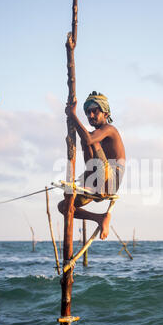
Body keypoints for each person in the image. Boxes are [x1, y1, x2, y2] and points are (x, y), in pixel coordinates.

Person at [58, 91, 125, 240]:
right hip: (96, 182)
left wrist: (72, 115)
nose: (90, 116)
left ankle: (90, 183)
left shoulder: (109, 129)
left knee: (87, 139)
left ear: (106, 113)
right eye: (87, 112)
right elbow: (88, 142)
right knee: (64, 206)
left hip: (109, 182)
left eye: (95, 111)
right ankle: (99, 218)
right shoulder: (95, 135)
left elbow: (88, 140)